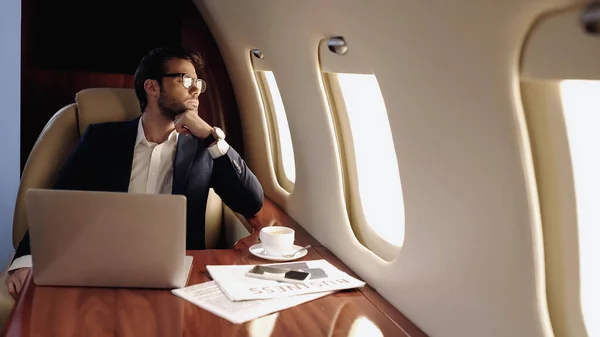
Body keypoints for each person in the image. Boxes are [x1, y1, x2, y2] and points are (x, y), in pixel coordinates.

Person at [5, 46, 264, 298]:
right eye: (185, 80)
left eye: (198, 82)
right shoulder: (101, 140)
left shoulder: (203, 148)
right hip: (102, 265)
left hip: (176, 273)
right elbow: (57, 203)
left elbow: (251, 202)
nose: (196, 88)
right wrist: (25, 259)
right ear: (152, 87)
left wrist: (210, 135)